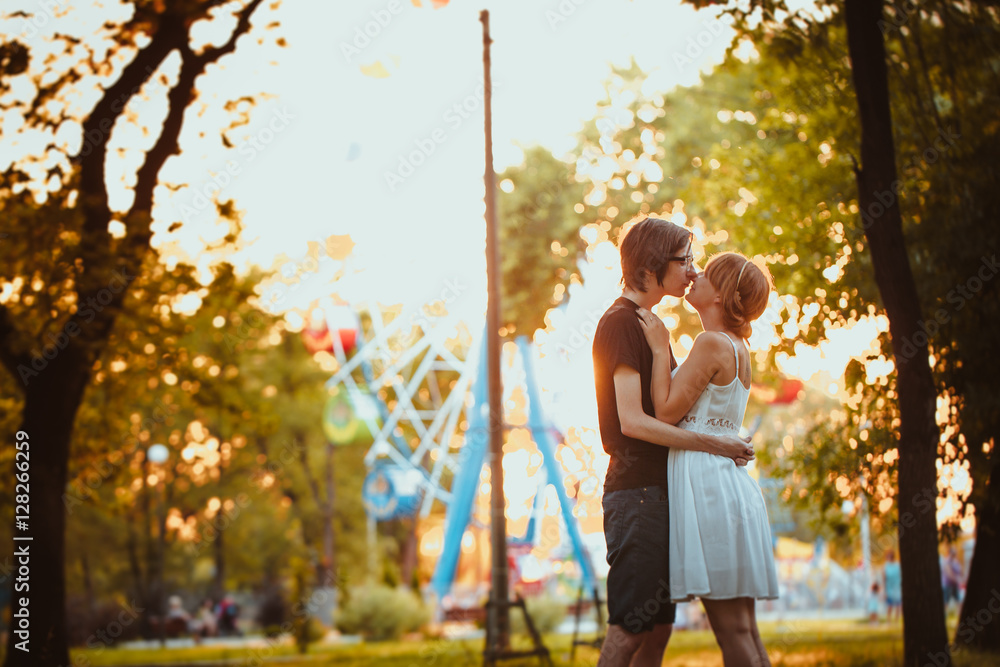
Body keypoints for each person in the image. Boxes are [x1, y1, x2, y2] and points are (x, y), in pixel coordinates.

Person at [592, 217, 754, 667]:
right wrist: (715, 443)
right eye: (684, 260)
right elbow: (633, 422)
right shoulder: (622, 323)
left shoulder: (650, 325)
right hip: (636, 493)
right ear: (651, 265)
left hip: (662, 494)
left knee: (658, 630)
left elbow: (673, 405)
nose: (691, 270)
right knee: (629, 628)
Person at [636, 251, 778, 667]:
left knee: (733, 631)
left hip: (711, 491)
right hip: (728, 487)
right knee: (744, 629)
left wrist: (661, 350)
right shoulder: (738, 346)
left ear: (721, 296)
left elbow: (664, 412)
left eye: (707, 274)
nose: (694, 275)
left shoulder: (711, 343)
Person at [942, 546, 963, 612]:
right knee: (946, 602)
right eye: (953, 552)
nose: (954, 554)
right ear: (950, 552)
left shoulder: (955, 561)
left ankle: (960, 615)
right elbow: (949, 573)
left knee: (959, 601)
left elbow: (960, 571)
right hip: (948, 585)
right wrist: (957, 579)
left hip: (955, 585)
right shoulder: (947, 561)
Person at [883, 549, 902, 622]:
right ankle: (889, 620)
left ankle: (896, 621)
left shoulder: (897, 565)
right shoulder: (886, 566)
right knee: (890, 605)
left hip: (897, 587)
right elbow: (884, 579)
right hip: (889, 588)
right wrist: (884, 591)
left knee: (898, 605)